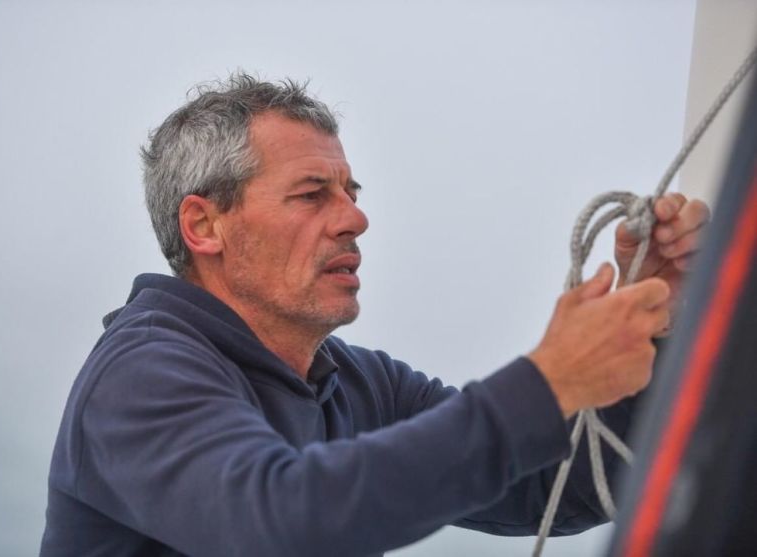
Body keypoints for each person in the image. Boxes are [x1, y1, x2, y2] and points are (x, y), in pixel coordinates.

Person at [40, 73, 710, 557]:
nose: (355, 218)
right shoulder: (142, 375)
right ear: (203, 225)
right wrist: (547, 382)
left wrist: (657, 319)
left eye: (350, 192)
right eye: (312, 194)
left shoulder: (359, 385)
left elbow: (563, 485)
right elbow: (281, 523)